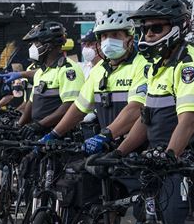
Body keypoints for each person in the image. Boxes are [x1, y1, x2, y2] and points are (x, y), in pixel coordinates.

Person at [114, 0, 194, 224]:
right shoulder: (157, 67)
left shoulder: (190, 64)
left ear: (177, 28)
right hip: (162, 164)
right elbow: (145, 119)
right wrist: (119, 152)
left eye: (156, 28)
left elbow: (189, 122)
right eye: (144, 29)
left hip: (189, 166)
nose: (148, 34)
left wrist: (170, 155)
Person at [43, 10, 149, 152]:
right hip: (107, 145)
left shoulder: (143, 64)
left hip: (137, 148)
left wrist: (104, 135)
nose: (108, 41)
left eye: (115, 35)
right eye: (104, 36)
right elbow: (80, 107)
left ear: (130, 39)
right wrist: (54, 134)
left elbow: (136, 108)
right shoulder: (99, 69)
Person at [16, 21, 85, 137]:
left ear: (47, 46)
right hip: (38, 134)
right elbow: (31, 103)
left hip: (59, 136)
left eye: (35, 43)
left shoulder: (68, 70)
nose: (32, 48)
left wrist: (40, 125)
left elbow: (70, 106)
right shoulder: (41, 72)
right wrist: (18, 126)